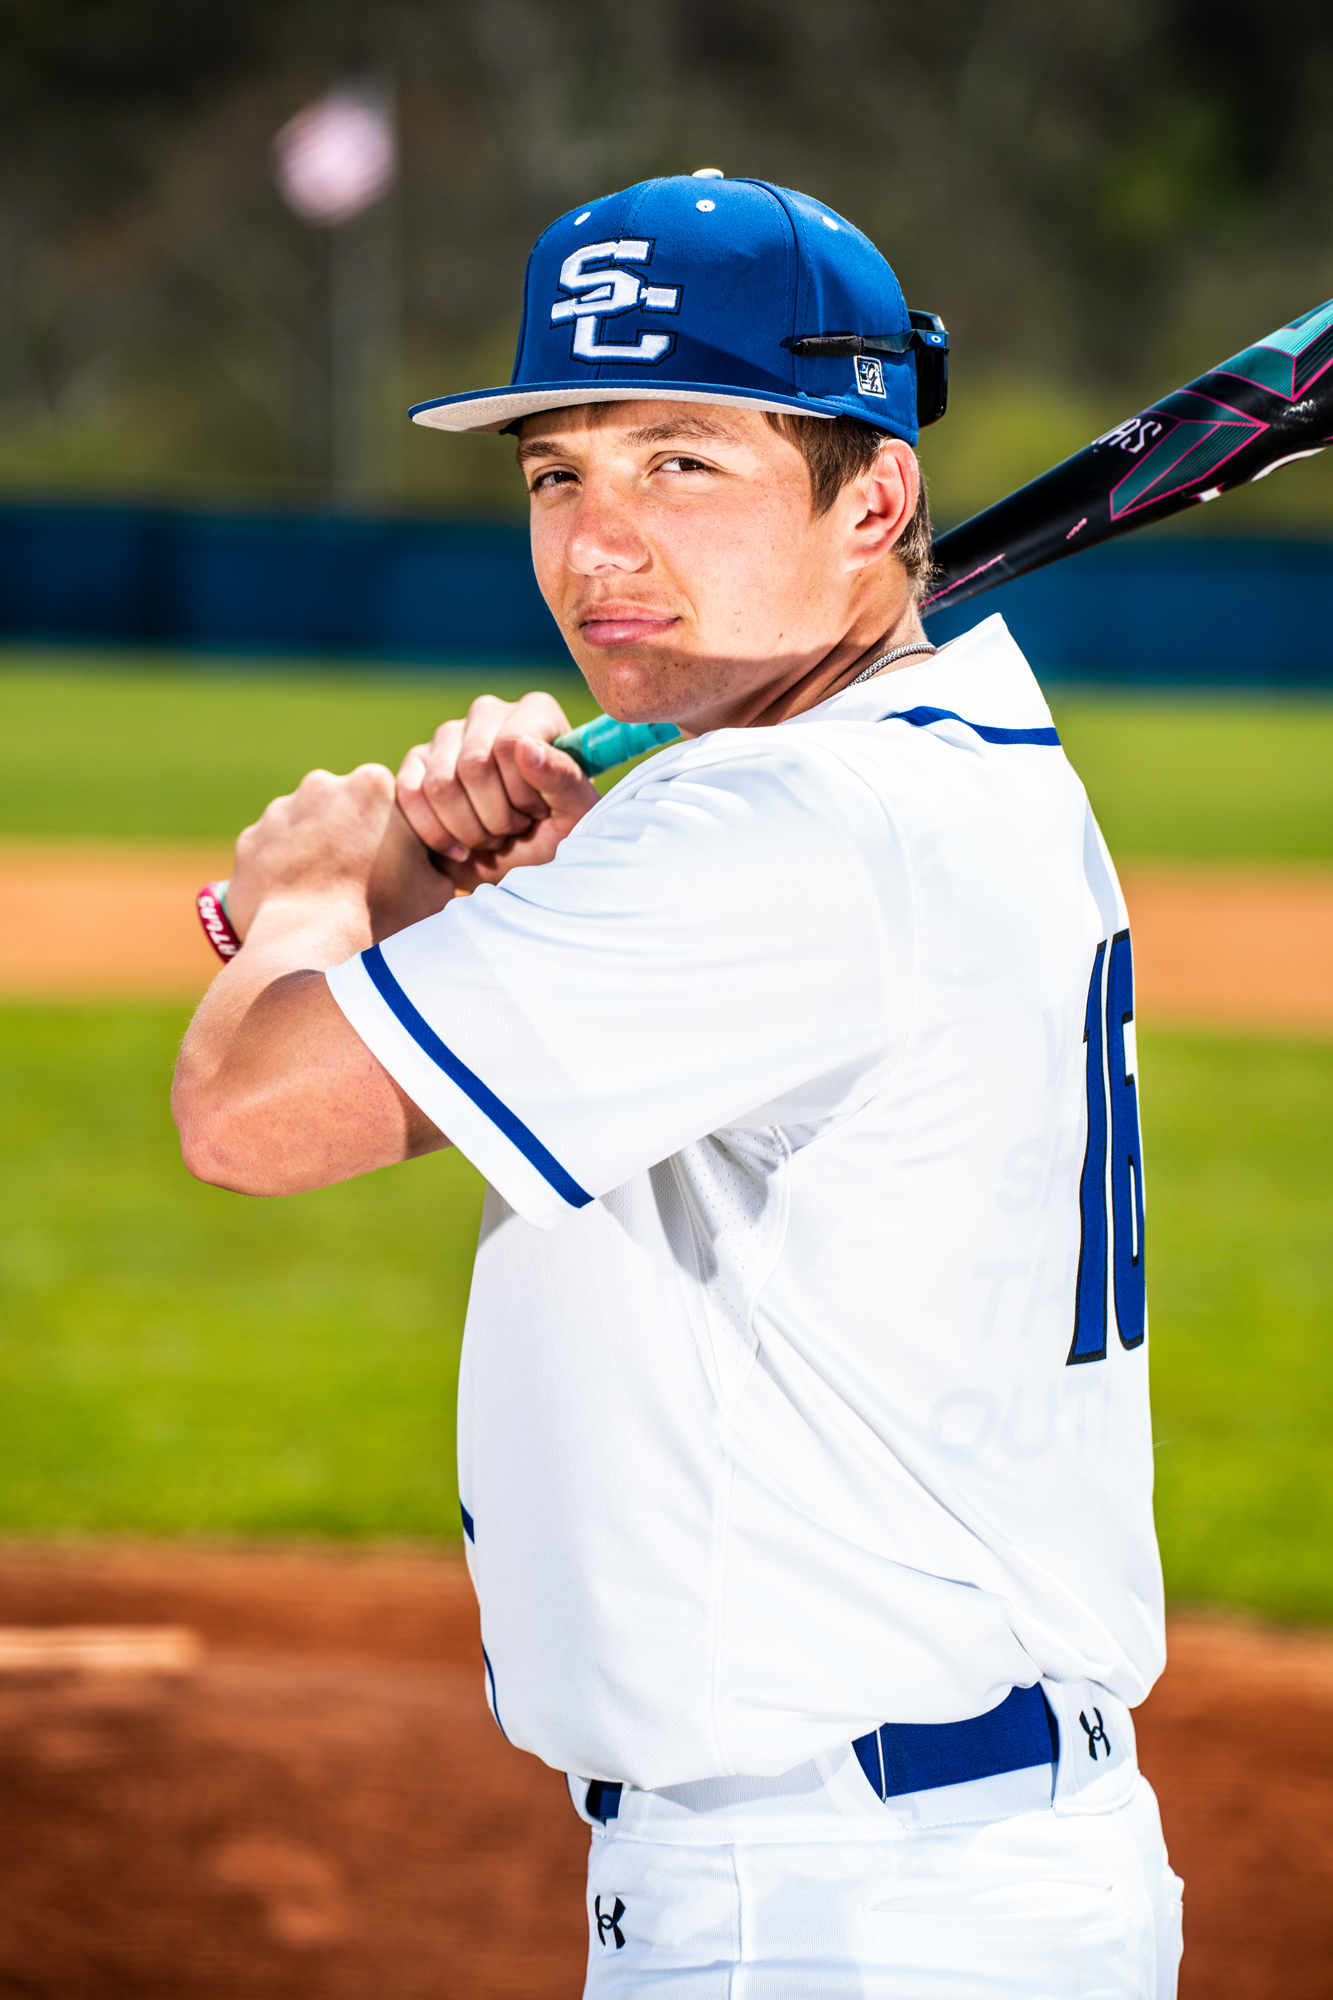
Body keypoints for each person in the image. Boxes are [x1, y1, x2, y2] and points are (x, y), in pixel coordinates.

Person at [173, 173, 1183, 1996]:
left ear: (873, 500)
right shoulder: (939, 760)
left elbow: (255, 1114)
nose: (598, 544)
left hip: (836, 1909)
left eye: (682, 462)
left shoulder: (787, 820)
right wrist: (479, 891)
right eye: (557, 472)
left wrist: (318, 890)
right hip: (924, 1872)